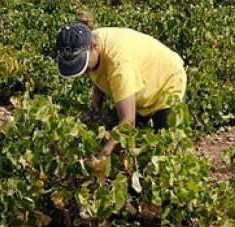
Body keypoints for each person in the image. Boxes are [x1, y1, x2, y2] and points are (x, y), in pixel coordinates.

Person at [56, 18, 187, 158]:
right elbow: (96, 67)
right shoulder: (88, 40)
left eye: (84, 65)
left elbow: (128, 122)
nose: (84, 72)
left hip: (166, 82)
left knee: (167, 147)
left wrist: (101, 158)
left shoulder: (119, 65)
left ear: (95, 47)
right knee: (116, 138)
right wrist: (97, 97)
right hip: (139, 77)